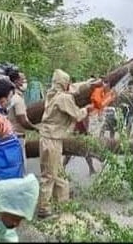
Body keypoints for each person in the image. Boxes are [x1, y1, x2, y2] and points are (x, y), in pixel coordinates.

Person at [37, 69, 97, 218]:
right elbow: (77, 115)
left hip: (51, 138)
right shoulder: (63, 98)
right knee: (49, 175)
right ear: (64, 84)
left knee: (59, 175)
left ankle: (63, 205)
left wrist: (91, 83)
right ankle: (44, 209)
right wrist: (87, 109)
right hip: (51, 139)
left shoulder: (53, 93)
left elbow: (73, 87)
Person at [7, 70, 38, 173]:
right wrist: (36, 129)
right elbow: (22, 121)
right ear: (15, 82)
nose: (25, 82)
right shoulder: (17, 99)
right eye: (22, 79)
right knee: (20, 167)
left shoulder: (9, 96)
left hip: (9, 135)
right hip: (17, 137)